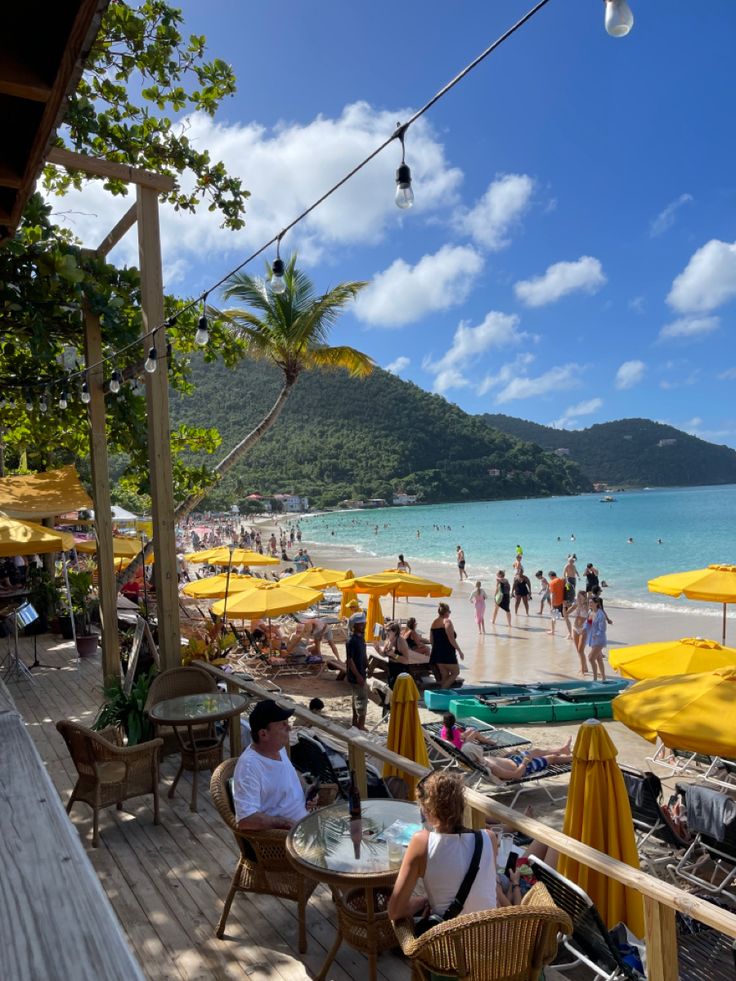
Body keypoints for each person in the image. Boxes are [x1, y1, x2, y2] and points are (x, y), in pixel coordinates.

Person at [388, 772, 498, 921]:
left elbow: (395, 912)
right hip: (493, 938)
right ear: (462, 805)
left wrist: (424, 900)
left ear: (428, 812)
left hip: (448, 941)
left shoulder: (422, 842)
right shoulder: (489, 838)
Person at [233, 699, 314, 830]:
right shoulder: (249, 767)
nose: (289, 727)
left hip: (307, 823)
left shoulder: (278, 748)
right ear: (263, 734)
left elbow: (289, 774)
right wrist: (285, 823)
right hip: (287, 839)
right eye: (282, 724)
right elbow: (245, 820)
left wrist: (307, 790)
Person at [464, 738, 573, 783]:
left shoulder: (481, 761)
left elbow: (500, 761)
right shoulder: (490, 768)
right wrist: (525, 762)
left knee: (536, 751)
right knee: (551, 759)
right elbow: (516, 775)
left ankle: (563, 750)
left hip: (514, 759)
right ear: (475, 753)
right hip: (522, 767)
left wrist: (509, 754)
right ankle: (573, 758)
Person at [429, 602, 464, 689]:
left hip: (437, 654)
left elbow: (431, 640)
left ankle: (443, 696)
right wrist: (460, 651)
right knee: (456, 672)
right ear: (446, 612)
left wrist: (436, 650)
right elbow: (451, 639)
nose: (449, 614)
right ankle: (442, 691)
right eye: (449, 612)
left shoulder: (434, 623)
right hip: (447, 654)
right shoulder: (447, 622)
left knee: (444, 676)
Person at [345, 612, 368, 730]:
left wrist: (367, 664)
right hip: (356, 674)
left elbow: (363, 653)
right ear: (354, 626)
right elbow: (350, 660)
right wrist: (358, 675)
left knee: (355, 698)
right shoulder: (351, 640)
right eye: (360, 624)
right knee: (362, 699)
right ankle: (361, 726)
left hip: (360, 671)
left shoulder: (361, 638)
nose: (363, 625)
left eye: (364, 623)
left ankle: (355, 722)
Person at [375, 620, 413, 688]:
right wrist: (377, 649)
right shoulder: (388, 640)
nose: (386, 632)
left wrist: (394, 655)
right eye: (385, 629)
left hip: (402, 671)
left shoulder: (401, 641)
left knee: (400, 695)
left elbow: (406, 661)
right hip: (391, 670)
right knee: (392, 693)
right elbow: (384, 655)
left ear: (395, 631)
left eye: (388, 630)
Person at [567, 589, 591, 674]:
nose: (579, 599)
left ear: (585, 598)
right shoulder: (576, 604)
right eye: (578, 597)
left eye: (581, 597)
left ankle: (582, 669)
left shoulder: (588, 606)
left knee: (581, 650)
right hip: (575, 628)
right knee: (578, 650)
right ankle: (585, 667)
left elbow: (592, 616)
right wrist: (565, 607)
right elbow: (567, 613)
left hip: (583, 629)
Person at [585, 596, 608, 681]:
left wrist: (596, 635)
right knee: (598, 659)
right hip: (592, 639)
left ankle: (595, 679)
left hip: (599, 639)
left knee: (591, 658)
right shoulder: (590, 612)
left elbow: (603, 628)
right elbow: (588, 624)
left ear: (596, 603)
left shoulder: (600, 614)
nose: (590, 604)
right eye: (589, 602)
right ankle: (603, 678)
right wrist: (583, 630)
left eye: (591, 602)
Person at [546, 571, 571, 638]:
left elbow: (552, 595)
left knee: (553, 617)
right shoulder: (562, 580)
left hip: (556, 603)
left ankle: (553, 631)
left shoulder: (552, 583)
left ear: (551, 576)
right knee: (566, 618)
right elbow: (567, 589)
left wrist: (551, 605)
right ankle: (570, 634)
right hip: (563, 602)